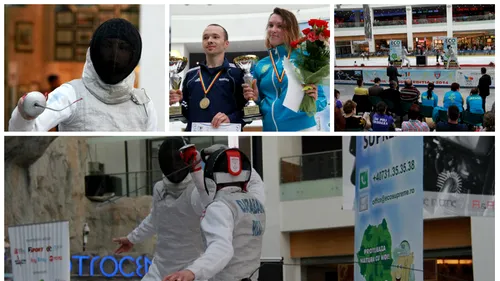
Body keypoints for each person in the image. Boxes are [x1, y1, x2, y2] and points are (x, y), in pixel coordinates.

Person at [112, 138, 265, 281]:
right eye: (169, 161)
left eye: (178, 161)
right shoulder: (256, 202)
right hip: (160, 268)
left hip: (190, 270)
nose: (174, 165)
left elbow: (206, 200)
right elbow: (156, 218)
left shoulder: (202, 196)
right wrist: (132, 238)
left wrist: (192, 272)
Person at [9, 18, 158, 131]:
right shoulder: (71, 94)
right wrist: (24, 116)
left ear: (133, 55)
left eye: (123, 48)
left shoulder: (143, 105)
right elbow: (28, 130)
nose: (115, 54)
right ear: (95, 49)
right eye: (108, 45)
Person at [164, 147, 266, 281]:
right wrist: (225, 154)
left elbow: (222, 248)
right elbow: (253, 179)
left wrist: (192, 271)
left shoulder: (219, 207)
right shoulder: (257, 203)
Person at [247, 7, 327, 131]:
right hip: (270, 129)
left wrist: (312, 101)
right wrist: (256, 100)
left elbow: (322, 100)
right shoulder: (261, 65)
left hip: (301, 128)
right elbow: (259, 102)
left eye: (280, 26)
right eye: (270, 25)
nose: (273, 30)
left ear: (291, 30)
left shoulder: (304, 57)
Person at [170, 24, 248, 132]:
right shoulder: (191, 75)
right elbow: (186, 115)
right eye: (205, 37)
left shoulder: (237, 73)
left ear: (226, 44)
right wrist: (177, 103)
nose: (209, 40)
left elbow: (249, 110)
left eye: (215, 37)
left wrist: (231, 118)